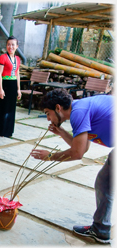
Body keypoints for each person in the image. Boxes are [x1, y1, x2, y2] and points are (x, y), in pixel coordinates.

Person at [31, 89, 113, 244]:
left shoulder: (78, 112)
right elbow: (83, 147)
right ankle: (101, 230)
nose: (48, 118)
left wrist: (50, 156)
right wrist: (62, 133)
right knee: (105, 182)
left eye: (48, 113)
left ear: (58, 108)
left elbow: (77, 153)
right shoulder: (80, 109)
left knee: (105, 182)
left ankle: (101, 229)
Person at [0, 36, 21, 137]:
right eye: (8, 44)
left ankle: (9, 131)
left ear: (17, 46)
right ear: (6, 46)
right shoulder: (3, 57)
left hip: (13, 84)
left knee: (11, 109)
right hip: (5, 84)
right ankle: (1, 131)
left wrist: (19, 89)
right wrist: (0, 89)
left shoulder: (17, 59)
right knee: (4, 108)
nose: (10, 47)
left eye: (13, 45)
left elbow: (17, 74)